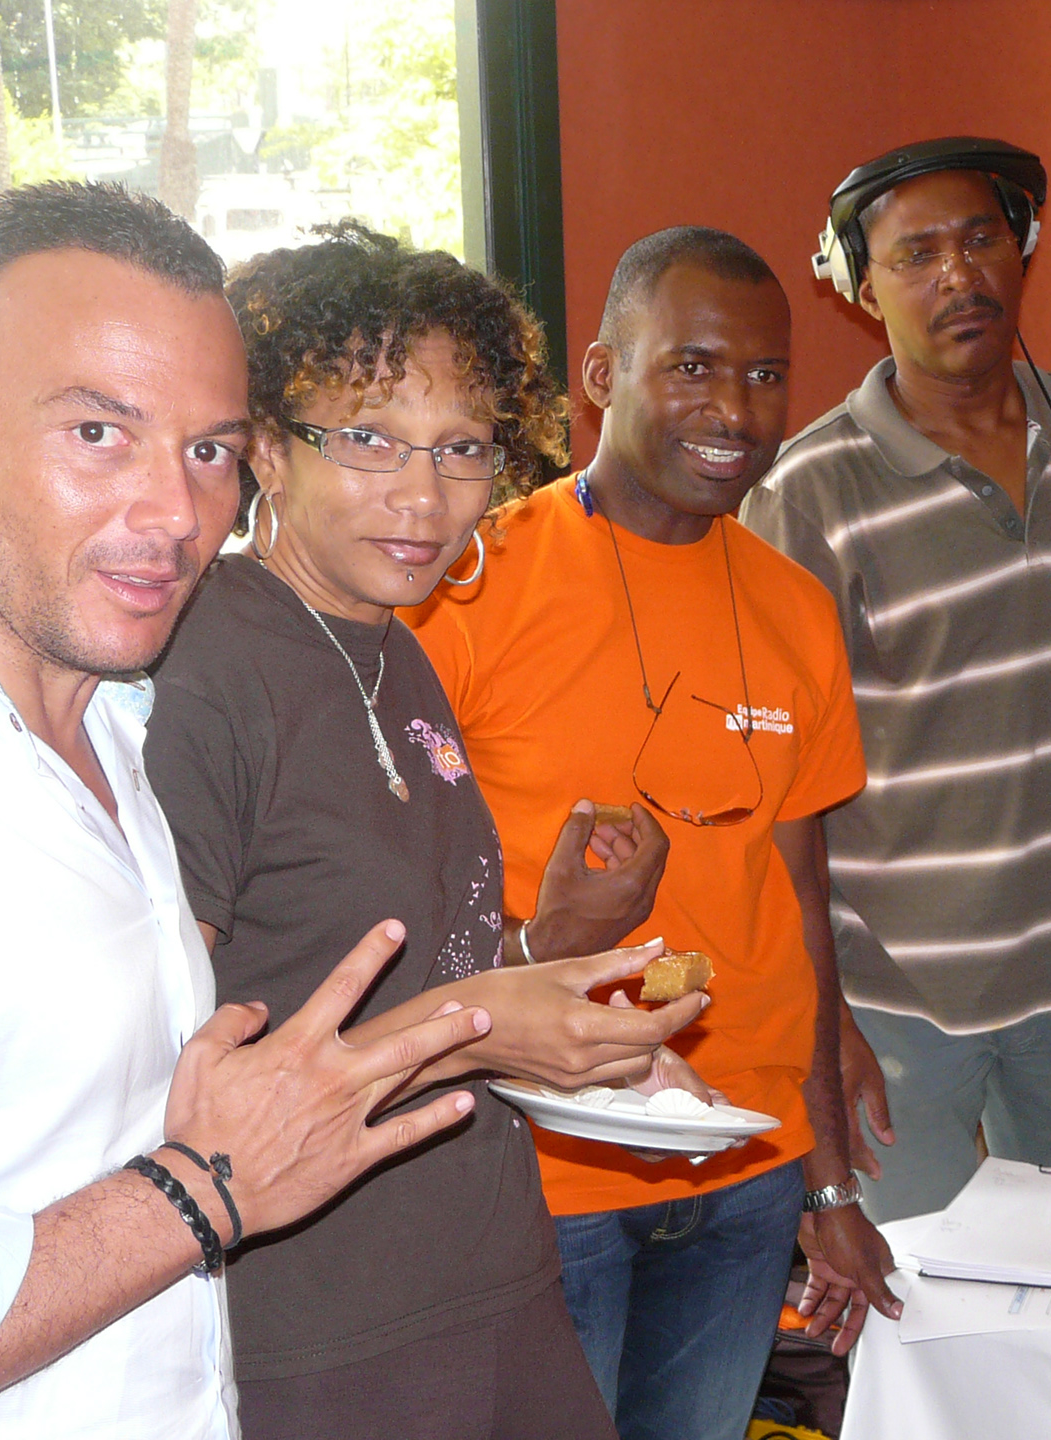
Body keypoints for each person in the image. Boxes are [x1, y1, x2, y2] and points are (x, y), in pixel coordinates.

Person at [0, 183, 499, 1438]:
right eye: (98, 432)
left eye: (208, 451)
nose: (177, 516)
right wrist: (199, 1193)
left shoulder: (116, 724)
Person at [141, 224, 712, 1439]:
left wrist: (546, 971)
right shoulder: (203, 669)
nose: (424, 495)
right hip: (321, 1319)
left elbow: (409, 966)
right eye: (367, 439)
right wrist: (484, 1029)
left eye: (462, 448)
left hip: (487, 1265)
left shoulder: (395, 651)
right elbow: (164, 1070)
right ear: (265, 447)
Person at [408, 226, 898, 1440]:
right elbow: (398, 899)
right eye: (691, 367)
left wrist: (827, 1184)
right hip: (543, 1168)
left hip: (745, 1166)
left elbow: (800, 905)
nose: (734, 409)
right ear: (601, 375)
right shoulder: (468, 587)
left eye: (766, 374)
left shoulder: (796, 609)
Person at [741, 136, 1051, 1223]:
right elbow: (778, 787)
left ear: (1023, 248)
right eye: (916, 255)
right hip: (894, 993)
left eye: (981, 239)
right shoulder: (807, 494)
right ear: (862, 288)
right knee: (917, 1296)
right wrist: (821, 1017)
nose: (958, 275)